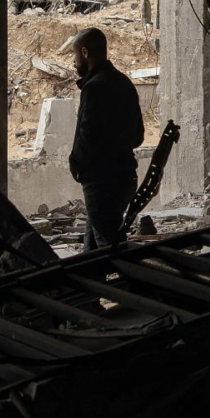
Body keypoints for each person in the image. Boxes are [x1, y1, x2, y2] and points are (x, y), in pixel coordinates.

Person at [66, 26, 144, 250]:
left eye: (75, 54)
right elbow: (138, 135)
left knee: (109, 245)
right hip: (124, 176)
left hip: (101, 182)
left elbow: (88, 134)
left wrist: (76, 163)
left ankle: (127, 285)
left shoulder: (95, 88)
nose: (74, 61)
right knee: (94, 240)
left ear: (85, 52)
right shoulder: (123, 82)